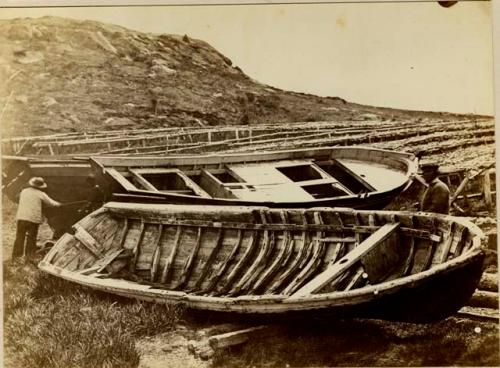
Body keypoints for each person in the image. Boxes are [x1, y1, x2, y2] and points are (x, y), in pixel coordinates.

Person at [12, 177, 61, 260]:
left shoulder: (24, 191)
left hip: (21, 217)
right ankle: (29, 256)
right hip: (33, 219)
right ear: (40, 187)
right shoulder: (41, 194)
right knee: (31, 238)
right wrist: (59, 204)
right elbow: (51, 203)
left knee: (19, 237)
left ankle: (16, 257)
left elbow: (18, 198)